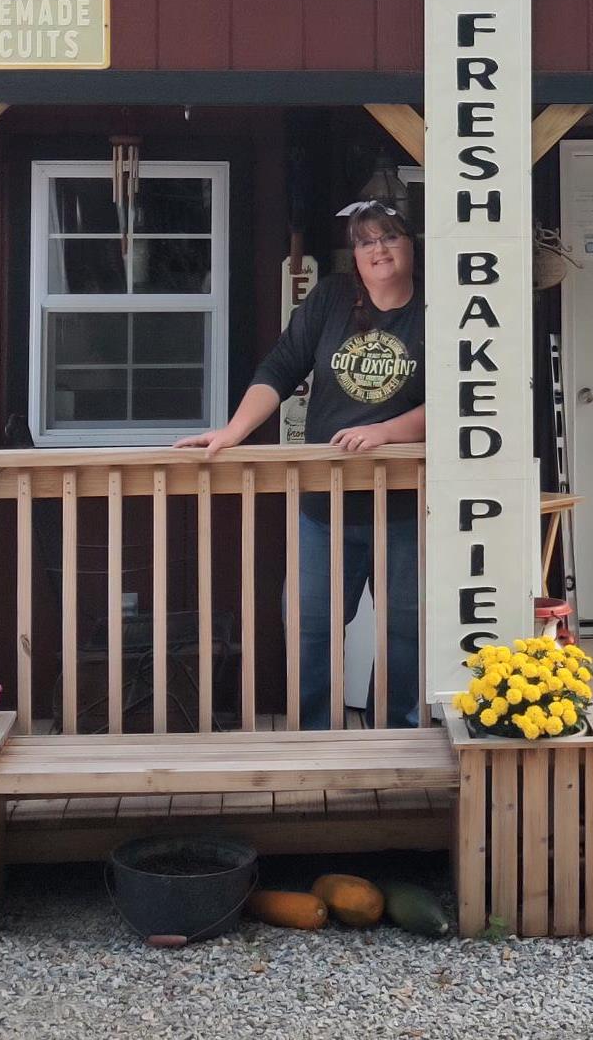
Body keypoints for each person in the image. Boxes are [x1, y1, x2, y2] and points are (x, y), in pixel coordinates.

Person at [176, 201, 423, 727]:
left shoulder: (437, 308)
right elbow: (282, 365)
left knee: (406, 627)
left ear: (411, 244)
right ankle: (314, 733)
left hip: (407, 504)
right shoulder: (332, 297)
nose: (377, 249)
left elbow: (465, 394)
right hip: (326, 500)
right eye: (365, 241)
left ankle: (397, 734)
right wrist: (234, 432)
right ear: (354, 255)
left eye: (389, 237)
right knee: (310, 626)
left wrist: (385, 431)